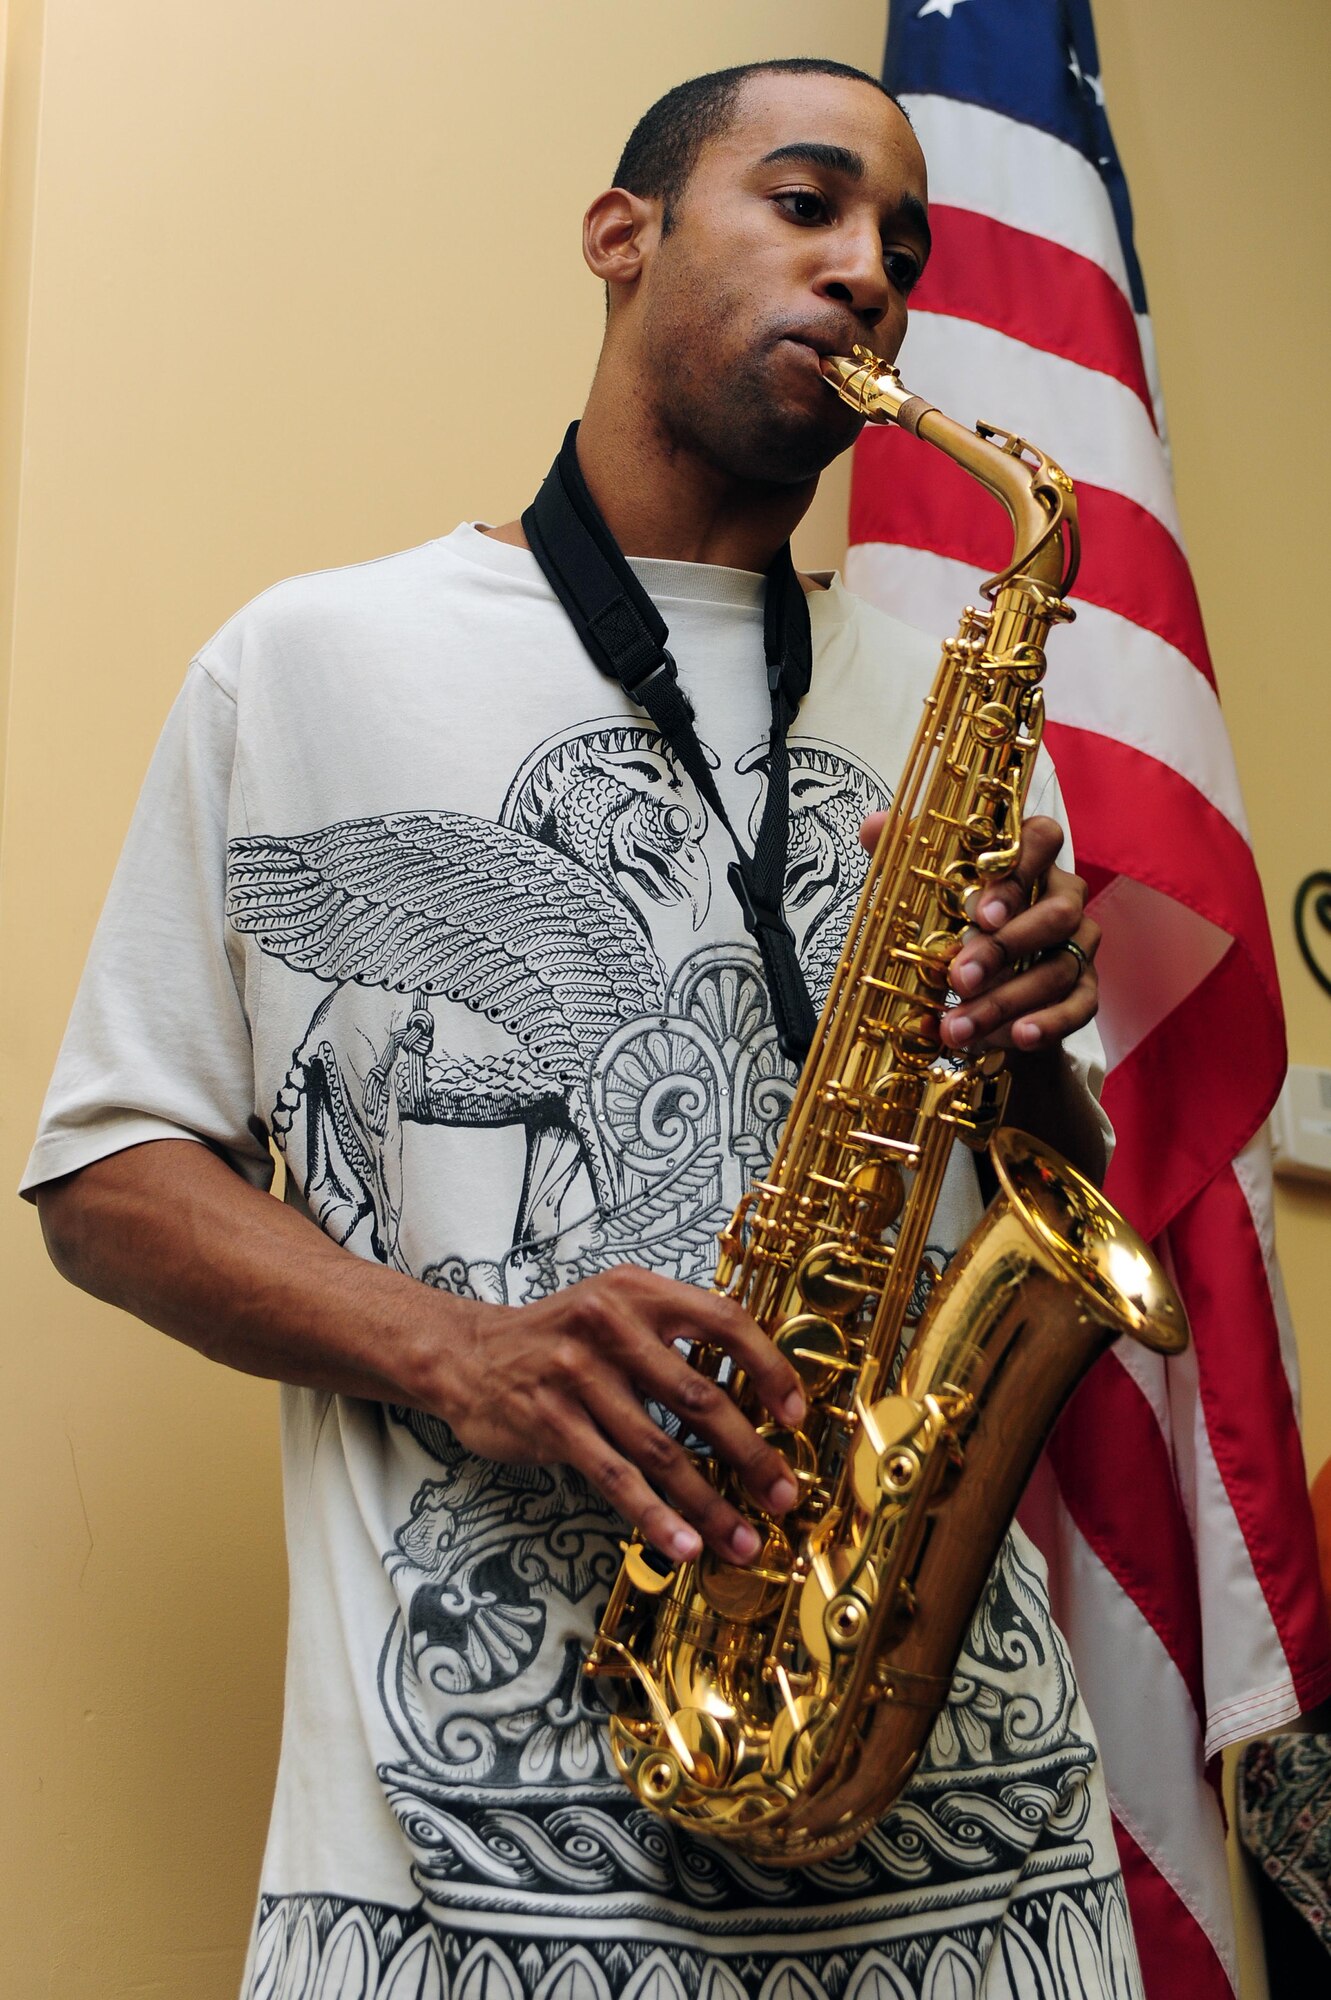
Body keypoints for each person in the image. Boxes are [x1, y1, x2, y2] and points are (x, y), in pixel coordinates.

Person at [24, 56, 1142, 2000]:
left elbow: (1039, 1191)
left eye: (904, 243)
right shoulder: (309, 662)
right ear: (619, 239)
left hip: (972, 1865)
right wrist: (457, 1351)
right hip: (484, 1886)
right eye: (806, 204)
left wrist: (1034, 1045)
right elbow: (109, 1172)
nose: (870, 270)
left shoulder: (936, 689)